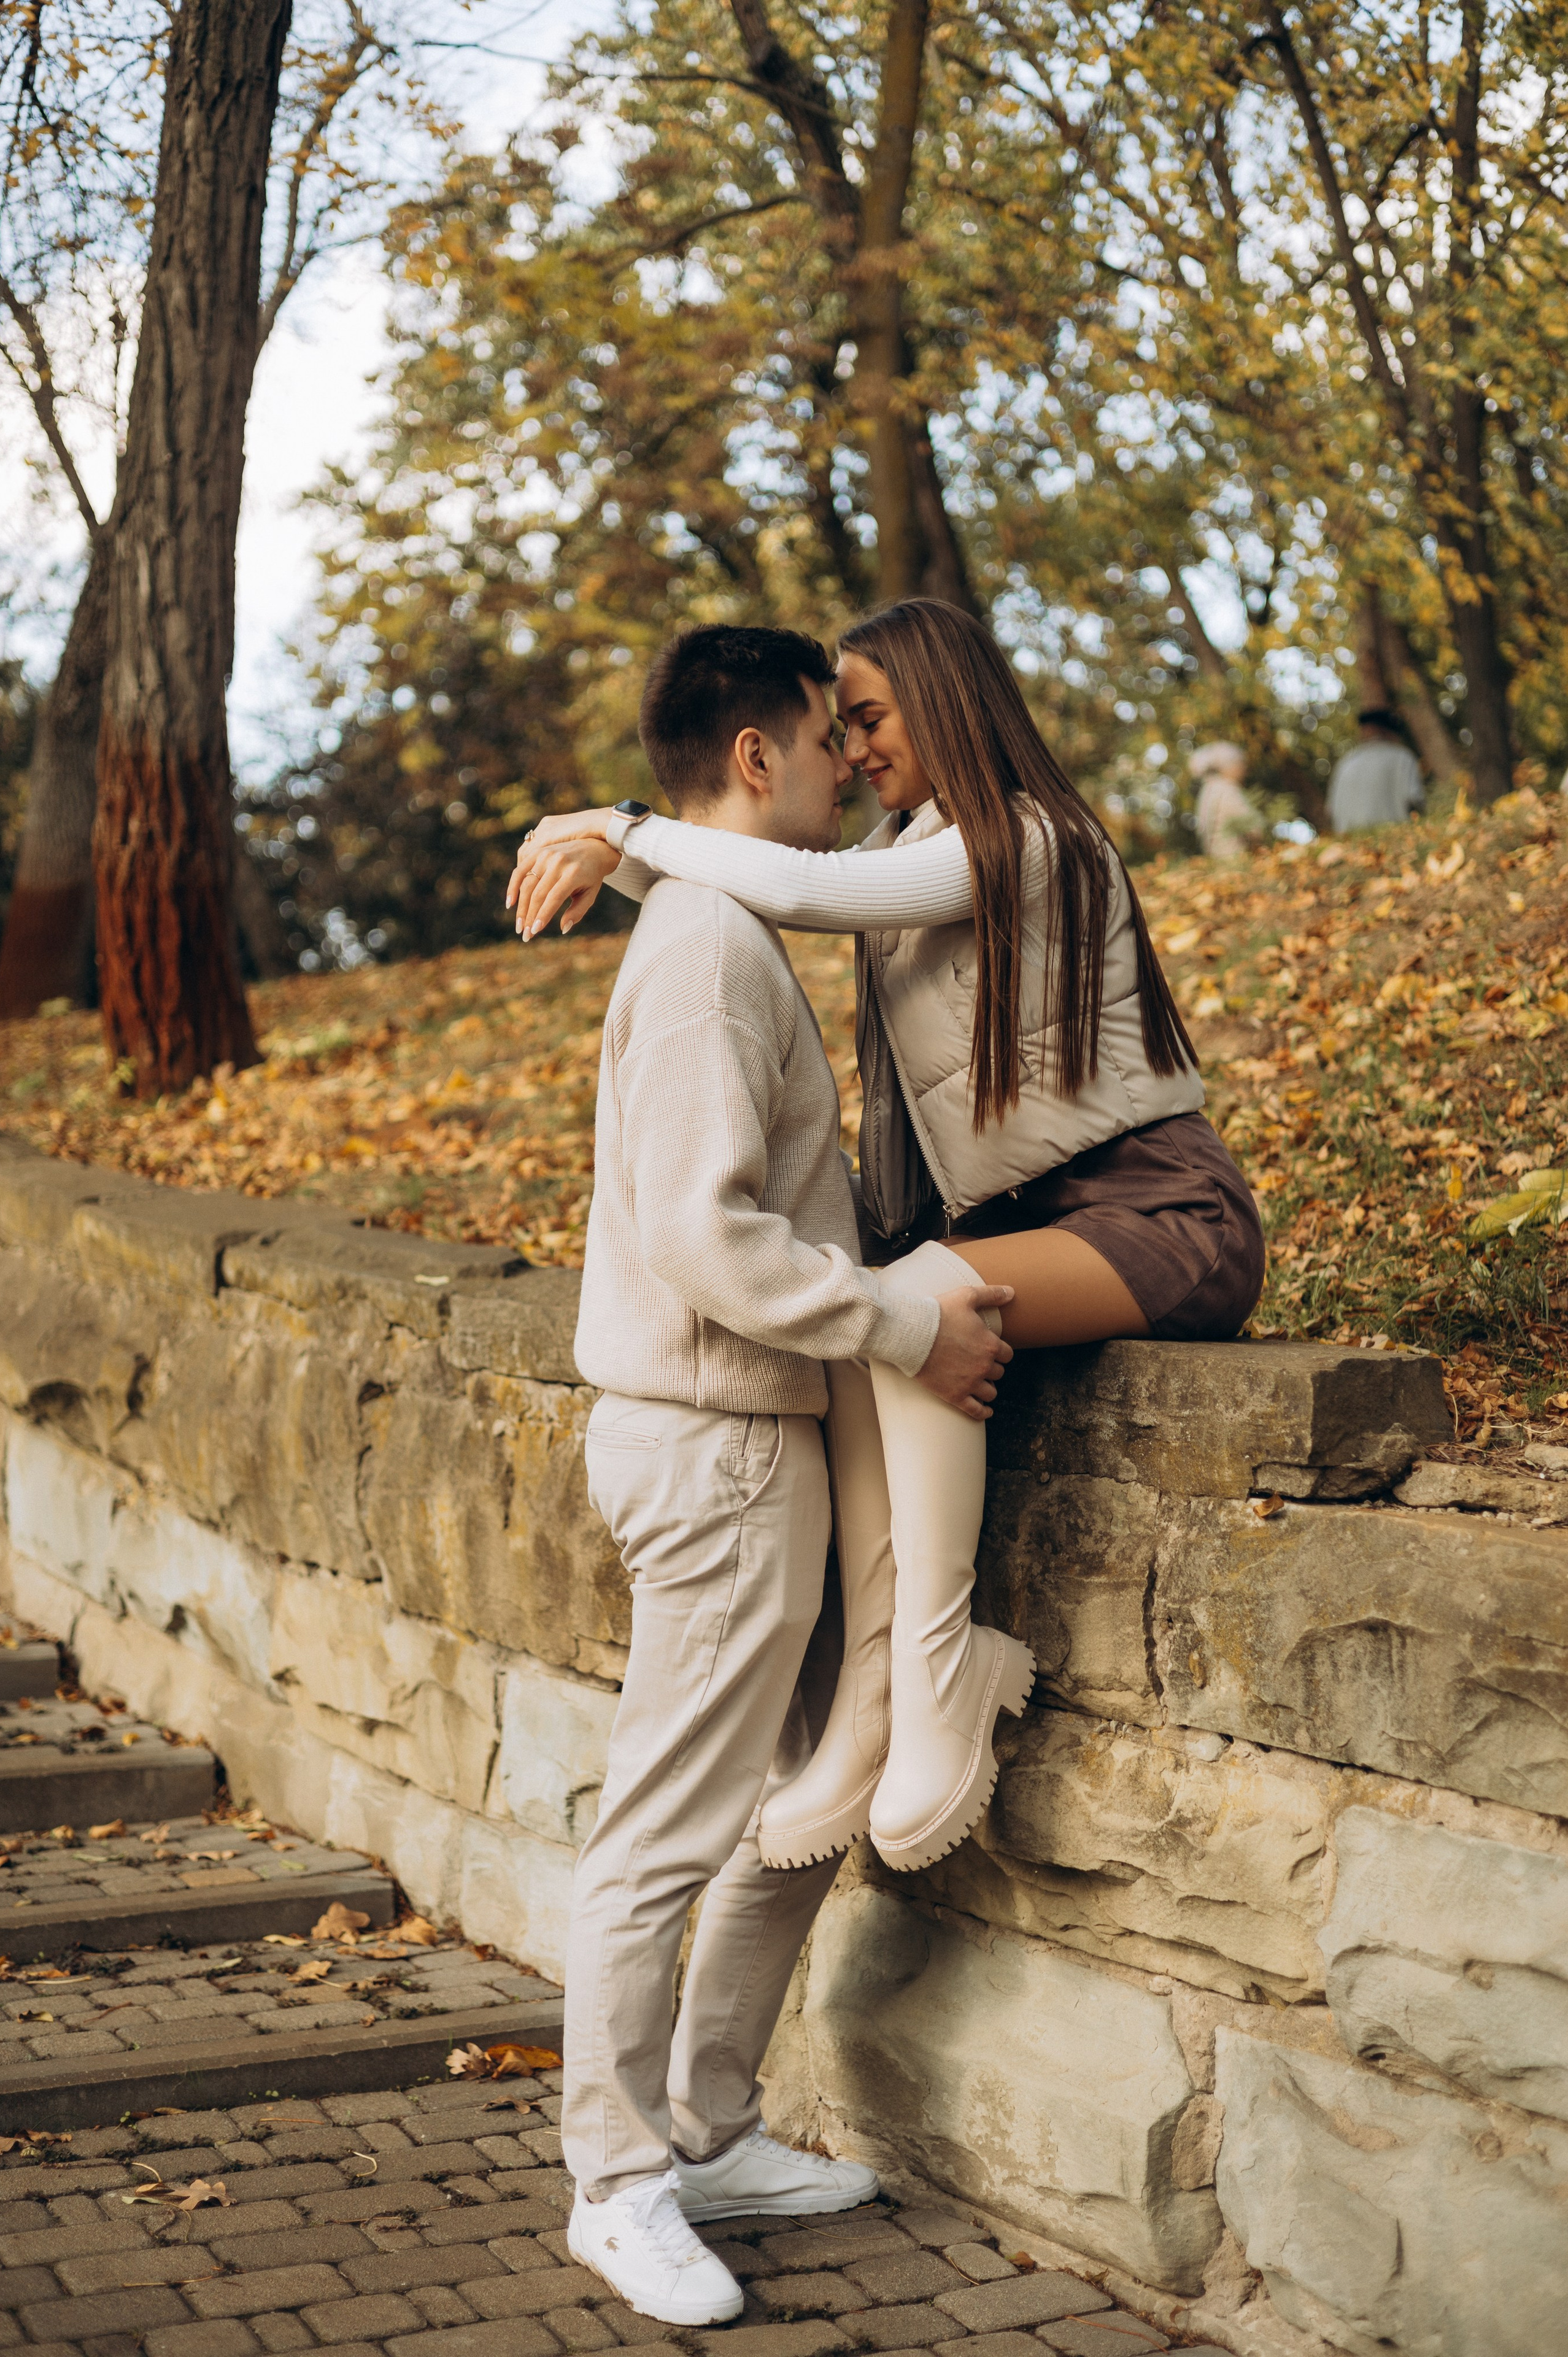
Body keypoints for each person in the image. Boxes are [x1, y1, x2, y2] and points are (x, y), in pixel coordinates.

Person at [509, 596, 1265, 1892]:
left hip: (1158, 1211)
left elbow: (792, 885)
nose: (853, 751)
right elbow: (756, 865)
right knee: (875, 1312)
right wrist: (614, 849)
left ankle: (929, 1681)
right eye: (838, 728)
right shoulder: (905, 847)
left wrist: (616, 831)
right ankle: (872, 1699)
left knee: (905, 1300)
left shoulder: (1023, 838)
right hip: (1025, 1228)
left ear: (943, 698)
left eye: (867, 718)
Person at [523, 623, 1016, 2329]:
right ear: (754, 760)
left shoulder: (723, 926)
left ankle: (710, 2128)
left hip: (762, 1438)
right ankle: (618, 2179)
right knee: (667, 1828)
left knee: (790, 1795)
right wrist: (895, 1324)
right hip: (719, 1442)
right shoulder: (710, 951)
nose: (847, 767)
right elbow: (701, 1231)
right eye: (826, 740)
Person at [1326, 708, 1425, 832]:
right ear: (1388, 731)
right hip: (1396, 840)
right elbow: (1416, 800)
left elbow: (1331, 810)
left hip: (1347, 845)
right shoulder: (1402, 757)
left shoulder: (1345, 763)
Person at [1189, 740, 1263, 861]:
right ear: (1228, 766)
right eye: (1240, 764)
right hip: (1237, 861)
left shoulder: (1208, 790)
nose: (1244, 770)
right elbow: (1255, 829)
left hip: (1218, 862)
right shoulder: (1227, 790)